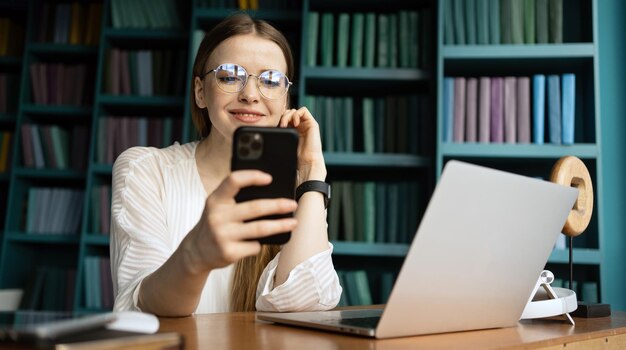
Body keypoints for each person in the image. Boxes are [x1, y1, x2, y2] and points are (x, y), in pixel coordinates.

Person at [110, 13, 342, 316]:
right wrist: (195, 255)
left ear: (285, 100)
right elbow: (143, 307)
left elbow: (305, 304)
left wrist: (313, 173)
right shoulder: (145, 169)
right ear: (200, 92)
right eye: (230, 75)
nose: (249, 95)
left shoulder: (299, 184)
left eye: (270, 80)